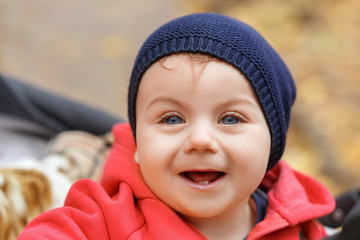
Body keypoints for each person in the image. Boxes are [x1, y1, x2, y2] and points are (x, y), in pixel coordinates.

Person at [18, 13, 335, 240]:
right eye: (172, 119)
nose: (199, 140)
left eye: (230, 118)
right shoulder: (105, 221)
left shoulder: (301, 223)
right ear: (138, 144)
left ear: (271, 142)